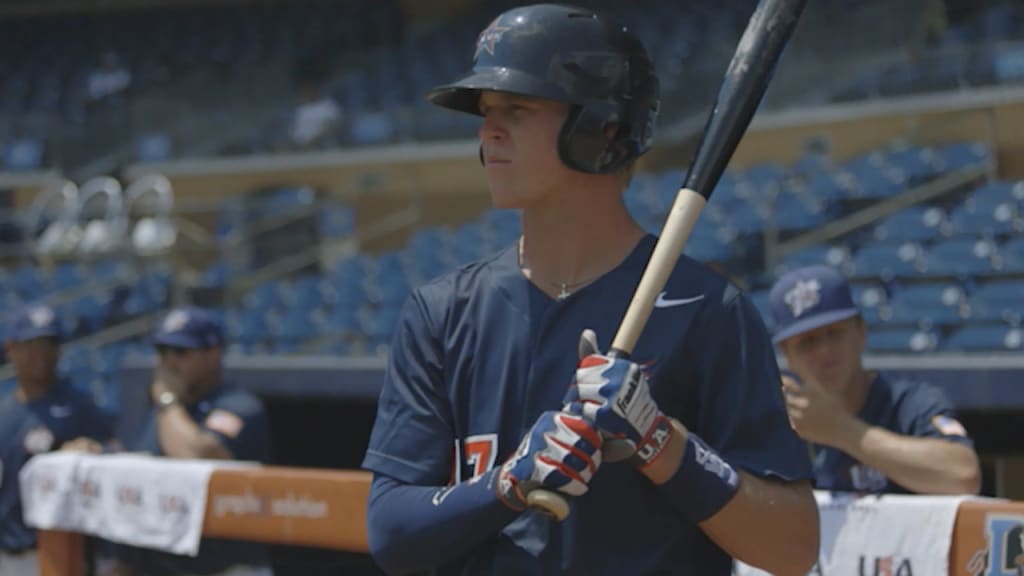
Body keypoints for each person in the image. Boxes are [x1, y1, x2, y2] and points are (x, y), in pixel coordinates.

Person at [362, 5, 819, 575]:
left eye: (517, 108)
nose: (488, 130)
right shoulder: (443, 311)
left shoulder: (707, 311)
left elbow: (793, 546)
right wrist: (507, 484)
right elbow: (390, 532)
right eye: (485, 112)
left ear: (603, 126)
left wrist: (660, 442)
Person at [769, 265, 981, 495]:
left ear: (861, 332)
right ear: (787, 354)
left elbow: (963, 475)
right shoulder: (779, 430)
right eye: (807, 342)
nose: (824, 350)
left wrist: (841, 430)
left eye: (834, 332)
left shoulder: (911, 404)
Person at [107, 306, 273, 576]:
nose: (168, 362)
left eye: (181, 352)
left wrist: (167, 400)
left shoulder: (238, 405)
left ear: (213, 354)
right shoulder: (159, 414)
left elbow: (196, 456)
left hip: (227, 566)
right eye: (162, 352)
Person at [0, 303, 115, 576]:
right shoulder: (4, 411)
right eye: (32, 344)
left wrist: (91, 451)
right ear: (11, 349)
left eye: (49, 343)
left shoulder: (78, 404)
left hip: (57, 554)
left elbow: (113, 453)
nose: (42, 354)